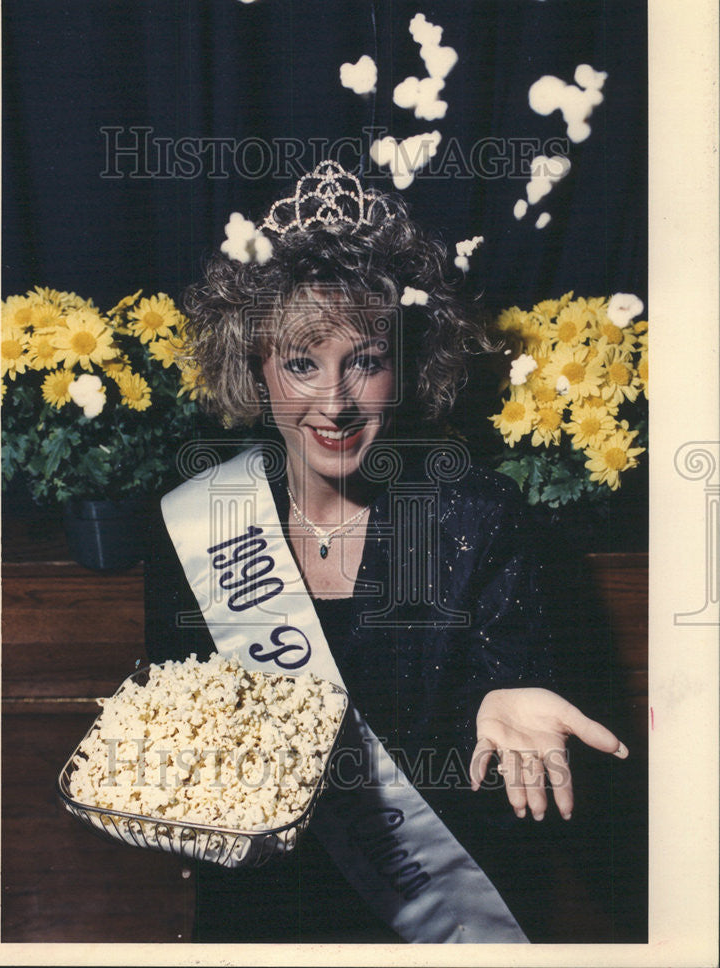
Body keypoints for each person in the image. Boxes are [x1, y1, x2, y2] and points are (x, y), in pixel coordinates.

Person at [144, 160, 628, 943]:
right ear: (256, 371)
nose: (333, 401)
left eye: (362, 361)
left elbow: (516, 674)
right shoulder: (200, 522)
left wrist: (509, 691)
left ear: (402, 367)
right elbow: (184, 727)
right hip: (265, 912)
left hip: (432, 916)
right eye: (301, 363)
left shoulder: (476, 514)